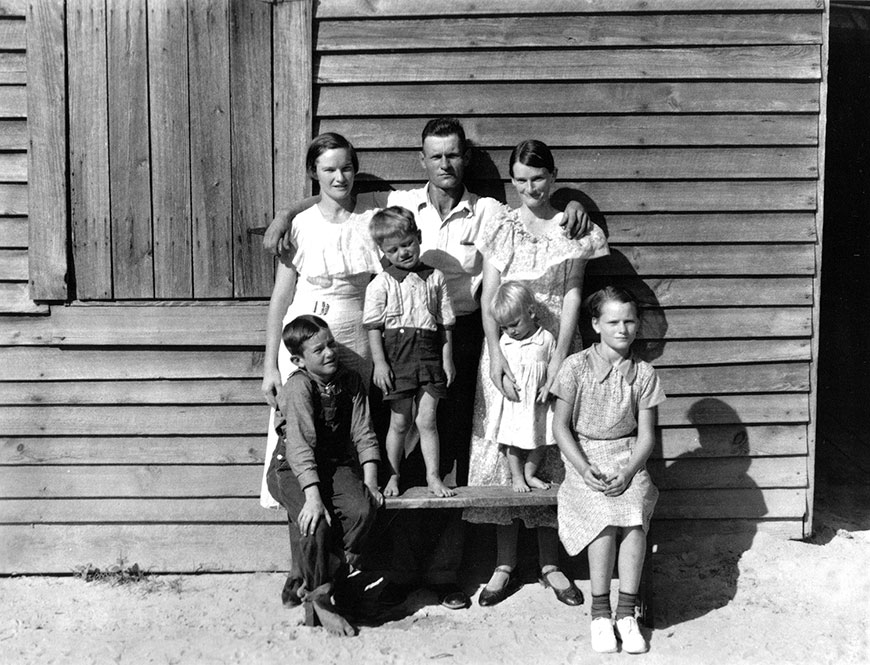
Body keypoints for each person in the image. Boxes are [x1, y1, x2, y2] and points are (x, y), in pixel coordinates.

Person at [263, 118, 592, 610]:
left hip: (457, 340)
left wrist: (575, 204)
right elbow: (332, 195)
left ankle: (444, 573)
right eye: (435, 155)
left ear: (465, 159)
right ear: (422, 160)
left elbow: (537, 210)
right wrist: (286, 213)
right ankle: (392, 570)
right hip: (394, 346)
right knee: (394, 450)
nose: (445, 164)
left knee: (452, 456)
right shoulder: (398, 203)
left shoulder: (488, 210)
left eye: (454, 155)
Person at [464, 139, 609, 609]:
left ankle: (551, 564)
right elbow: (488, 298)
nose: (530, 188)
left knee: (550, 449)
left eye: (539, 178)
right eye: (521, 180)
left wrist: (561, 359)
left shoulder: (571, 226)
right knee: (506, 445)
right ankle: (504, 564)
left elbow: (571, 295)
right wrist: (496, 356)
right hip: (506, 352)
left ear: (553, 176)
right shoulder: (502, 225)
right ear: (512, 182)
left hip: (555, 350)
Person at [259, 132, 382, 605]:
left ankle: (336, 570)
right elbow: (280, 299)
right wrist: (271, 363)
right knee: (301, 450)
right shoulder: (302, 226)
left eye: (347, 167)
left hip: (355, 336)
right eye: (328, 168)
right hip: (308, 333)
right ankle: (301, 573)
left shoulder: (370, 218)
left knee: (345, 446)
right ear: (315, 172)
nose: (339, 176)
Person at [551, 286, 666, 654]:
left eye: (630, 321)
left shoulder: (644, 374)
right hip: (584, 457)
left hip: (627, 458)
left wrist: (631, 471)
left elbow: (646, 437)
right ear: (595, 324)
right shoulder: (576, 367)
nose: (623, 329)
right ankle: (600, 614)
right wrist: (583, 468)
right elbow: (560, 427)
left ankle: (626, 614)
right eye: (613, 321)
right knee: (602, 516)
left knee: (632, 516)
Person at [266, 315, 385, 637]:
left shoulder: (350, 381)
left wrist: (371, 483)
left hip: (333, 465)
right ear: (298, 359)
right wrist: (314, 499)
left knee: (362, 510)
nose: (330, 352)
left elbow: (364, 433)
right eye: (318, 350)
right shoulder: (298, 387)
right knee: (315, 523)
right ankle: (321, 599)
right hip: (291, 468)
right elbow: (300, 446)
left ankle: (319, 584)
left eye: (331, 344)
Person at [363, 206, 457, 498]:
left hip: (429, 355)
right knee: (400, 422)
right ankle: (392, 476)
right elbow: (373, 327)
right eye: (393, 249)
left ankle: (433, 476)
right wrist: (379, 363)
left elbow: (445, 323)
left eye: (407, 244)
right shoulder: (381, 283)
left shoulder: (435, 277)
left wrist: (447, 359)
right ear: (382, 251)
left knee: (427, 420)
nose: (403, 252)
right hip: (398, 357)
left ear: (418, 237)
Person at [486, 281, 557, 493]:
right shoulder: (504, 343)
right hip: (515, 402)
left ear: (531, 312)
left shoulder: (546, 339)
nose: (510, 331)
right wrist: (506, 385)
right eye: (504, 327)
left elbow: (555, 368)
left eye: (514, 324)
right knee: (512, 441)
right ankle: (517, 477)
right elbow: (500, 371)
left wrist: (548, 388)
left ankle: (530, 473)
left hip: (538, 402)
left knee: (542, 439)